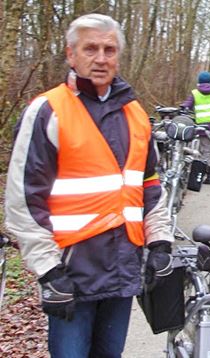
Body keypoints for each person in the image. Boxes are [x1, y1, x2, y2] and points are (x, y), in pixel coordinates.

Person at [4, 14, 174, 357]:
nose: (100, 58)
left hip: (122, 270)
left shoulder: (135, 114)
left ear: (118, 56)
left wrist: (159, 242)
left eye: (109, 49)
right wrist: (48, 270)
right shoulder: (47, 110)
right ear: (71, 54)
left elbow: (150, 184)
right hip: (70, 272)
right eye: (90, 48)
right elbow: (23, 199)